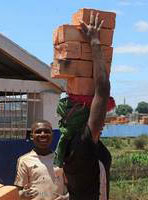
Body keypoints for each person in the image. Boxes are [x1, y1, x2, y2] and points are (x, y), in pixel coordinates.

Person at [52, 12, 114, 200]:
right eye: (98, 117)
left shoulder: (69, 144)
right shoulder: (83, 143)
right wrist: (94, 43)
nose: (102, 122)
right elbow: (102, 90)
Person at [15, 121, 68, 200]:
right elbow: (18, 192)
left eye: (47, 131)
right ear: (32, 136)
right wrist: (23, 194)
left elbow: (72, 188)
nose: (43, 134)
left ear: (52, 135)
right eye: (38, 132)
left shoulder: (61, 158)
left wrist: (65, 198)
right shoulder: (24, 160)